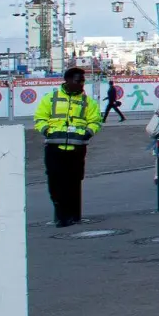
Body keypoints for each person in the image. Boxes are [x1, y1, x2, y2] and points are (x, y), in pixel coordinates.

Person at [34, 68, 103, 227]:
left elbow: (95, 121)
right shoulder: (51, 98)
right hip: (54, 147)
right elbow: (40, 118)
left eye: (83, 81)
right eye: (78, 80)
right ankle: (62, 213)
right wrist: (47, 131)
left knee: (73, 182)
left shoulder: (88, 102)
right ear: (68, 80)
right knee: (55, 182)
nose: (81, 84)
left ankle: (70, 216)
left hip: (77, 149)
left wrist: (87, 133)